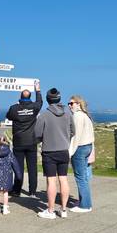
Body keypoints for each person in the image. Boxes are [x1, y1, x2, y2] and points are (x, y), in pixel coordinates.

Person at [35, 88, 75, 219]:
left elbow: (37, 134)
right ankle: (63, 210)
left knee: (51, 181)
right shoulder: (68, 114)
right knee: (63, 179)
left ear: (47, 100)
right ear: (59, 99)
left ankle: (50, 211)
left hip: (49, 151)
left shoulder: (44, 115)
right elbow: (73, 131)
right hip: (64, 150)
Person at [6, 80, 42, 197]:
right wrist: (37, 89)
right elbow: (39, 102)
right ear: (29, 96)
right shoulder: (34, 107)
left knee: (18, 167)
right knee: (32, 168)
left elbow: (8, 116)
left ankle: (17, 190)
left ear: (20, 97)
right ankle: (32, 191)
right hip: (31, 141)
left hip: (19, 142)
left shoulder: (14, 108)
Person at [68, 95, 95, 212]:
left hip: (80, 148)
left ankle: (85, 205)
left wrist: (70, 152)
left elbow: (76, 136)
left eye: (72, 103)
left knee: (80, 177)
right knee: (84, 176)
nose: (69, 105)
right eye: (69, 103)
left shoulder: (77, 116)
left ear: (78, 104)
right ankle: (83, 201)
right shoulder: (85, 115)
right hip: (87, 146)